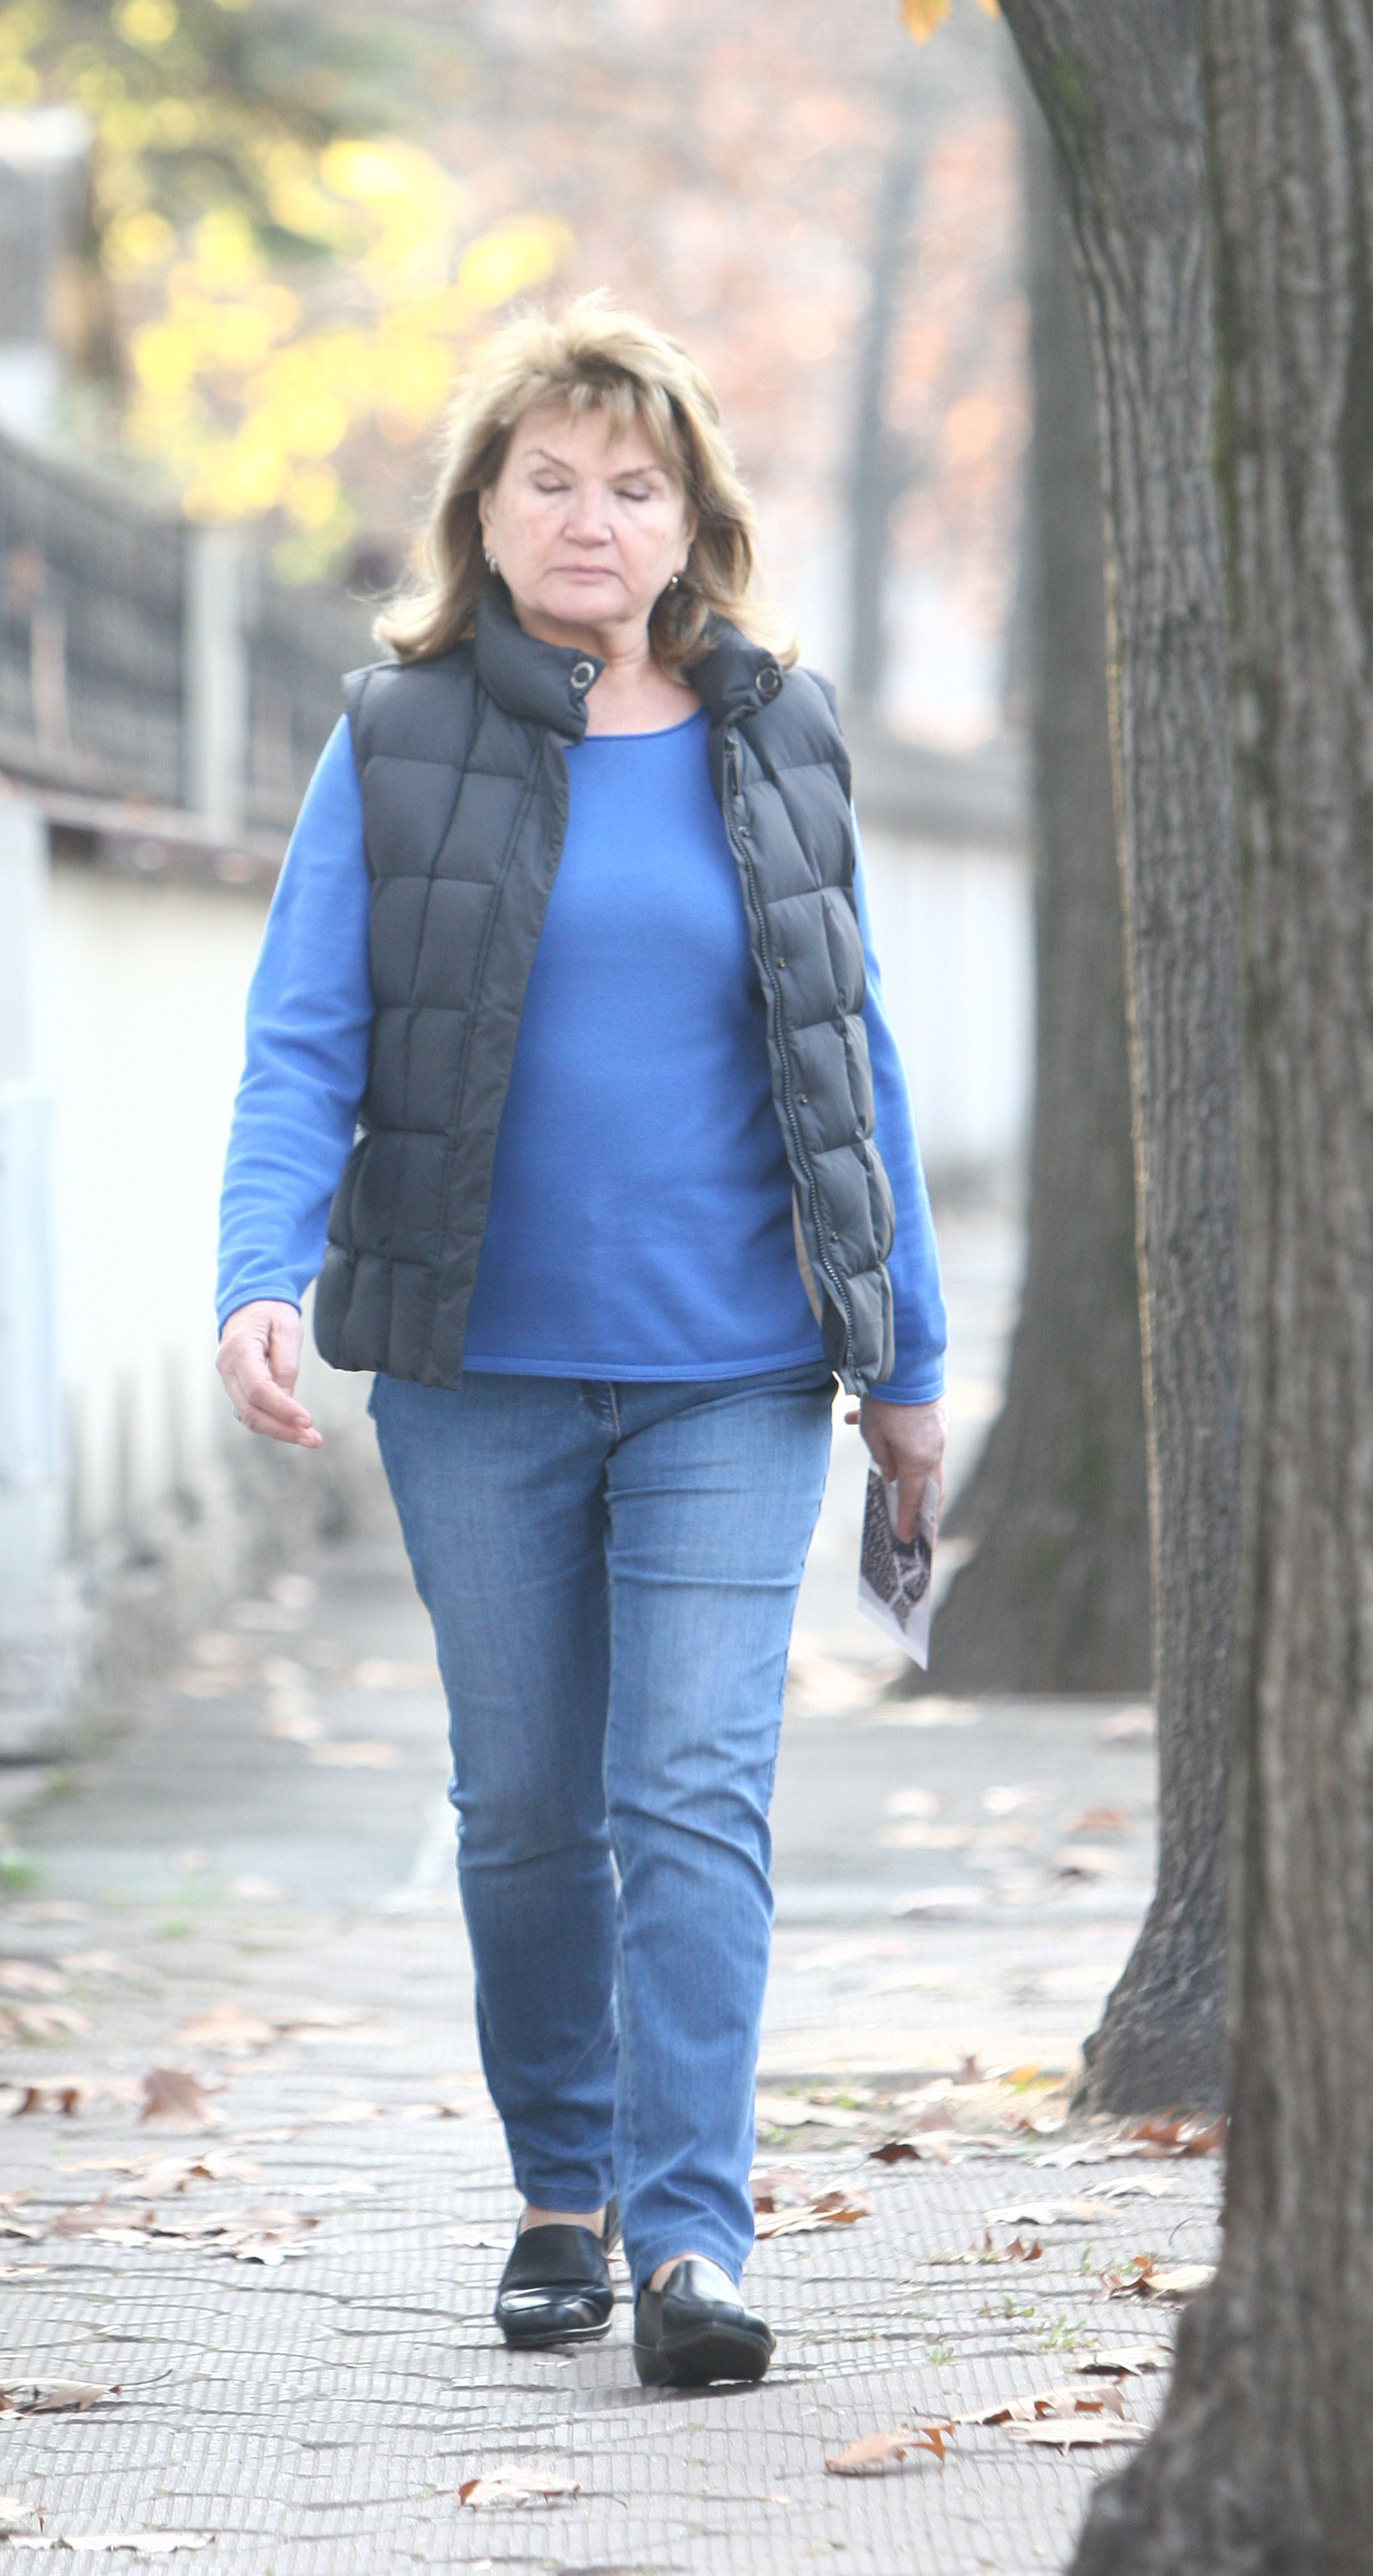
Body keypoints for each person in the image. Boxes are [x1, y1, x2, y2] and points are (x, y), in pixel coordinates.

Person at [216, 298, 946, 2391]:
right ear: (484, 509)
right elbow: (305, 1037)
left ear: (693, 519)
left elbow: (855, 1060)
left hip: (735, 1370)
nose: (590, 517)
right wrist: (259, 1275)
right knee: (529, 1809)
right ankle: (566, 2191)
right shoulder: (397, 737)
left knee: (692, 1789)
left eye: (634, 484)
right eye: (549, 478)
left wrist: (907, 1361)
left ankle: (695, 2238)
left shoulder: (777, 734)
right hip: (477, 1375)